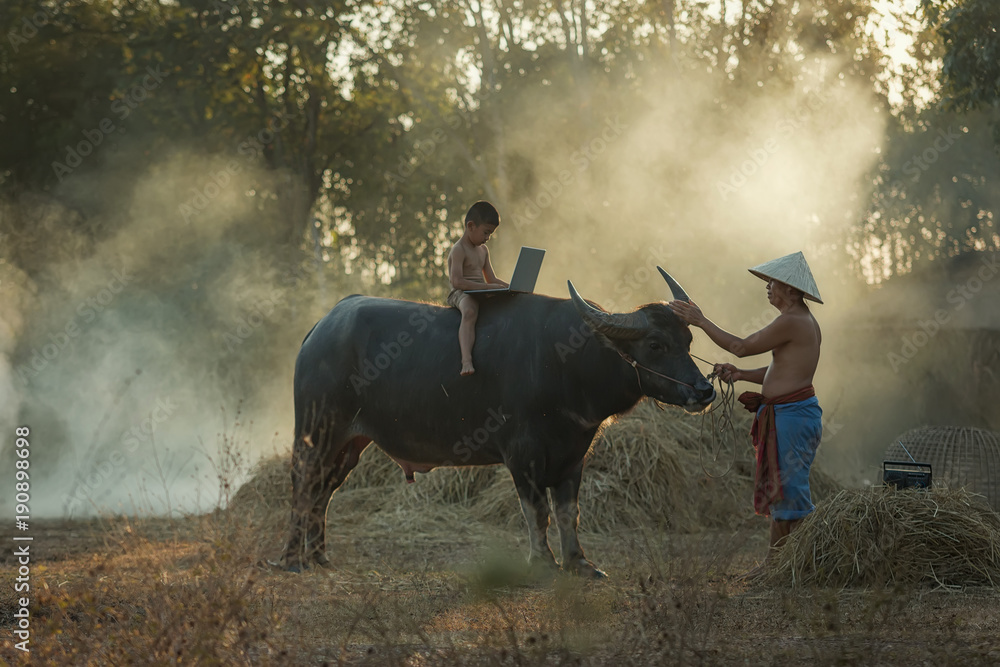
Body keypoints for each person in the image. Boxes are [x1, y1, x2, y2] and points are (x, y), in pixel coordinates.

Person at [668, 251, 823, 577]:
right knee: (785, 490)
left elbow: (741, 345)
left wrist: (700, 320)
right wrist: (740, 374)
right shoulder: (799, 320)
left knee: (789, 490)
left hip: (792, 416)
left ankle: (794, 564)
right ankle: (780, 564)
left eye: (773, 283)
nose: (767, 287)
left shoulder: (793, 320)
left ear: (791, 290)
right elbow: (781, 369)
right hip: (789, 414)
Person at [446, 201, 509, 375]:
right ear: (471, 226)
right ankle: (466, 360)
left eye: (490, 234)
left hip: (480, 291)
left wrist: (510, 287)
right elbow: (457, 281)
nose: (487, 237)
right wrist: (486, 287)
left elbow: (492, 278)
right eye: (486, 232)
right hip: (460, 293)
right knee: (470, 311)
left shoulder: (483, 250)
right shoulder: (459, 250)